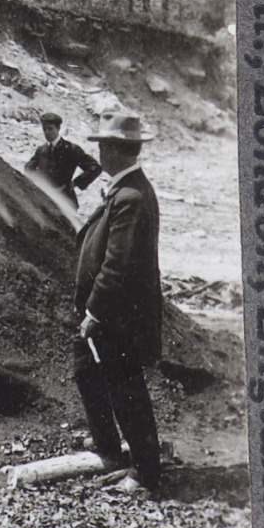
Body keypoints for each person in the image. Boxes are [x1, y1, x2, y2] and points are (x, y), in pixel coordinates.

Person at [73, 112, 167, 492]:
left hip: (119, 316)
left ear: (113, 150)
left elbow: (118, 264)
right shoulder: (126, 190)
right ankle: (109, 447)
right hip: (112, 313)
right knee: (87, 370)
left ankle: (146, 473)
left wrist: (95, 311)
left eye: (101, 146)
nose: (99, 153)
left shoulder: (130, 197)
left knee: (126, 389)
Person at [26, 111, 102, 208]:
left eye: (50, 129)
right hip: (44, 199)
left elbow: (95, 167)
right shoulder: (41, 150)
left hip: (65, 201)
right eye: (44, 129)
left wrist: (75, 183)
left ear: (58, 128)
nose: (47, 133)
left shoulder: (71, 149)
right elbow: (28, 168)